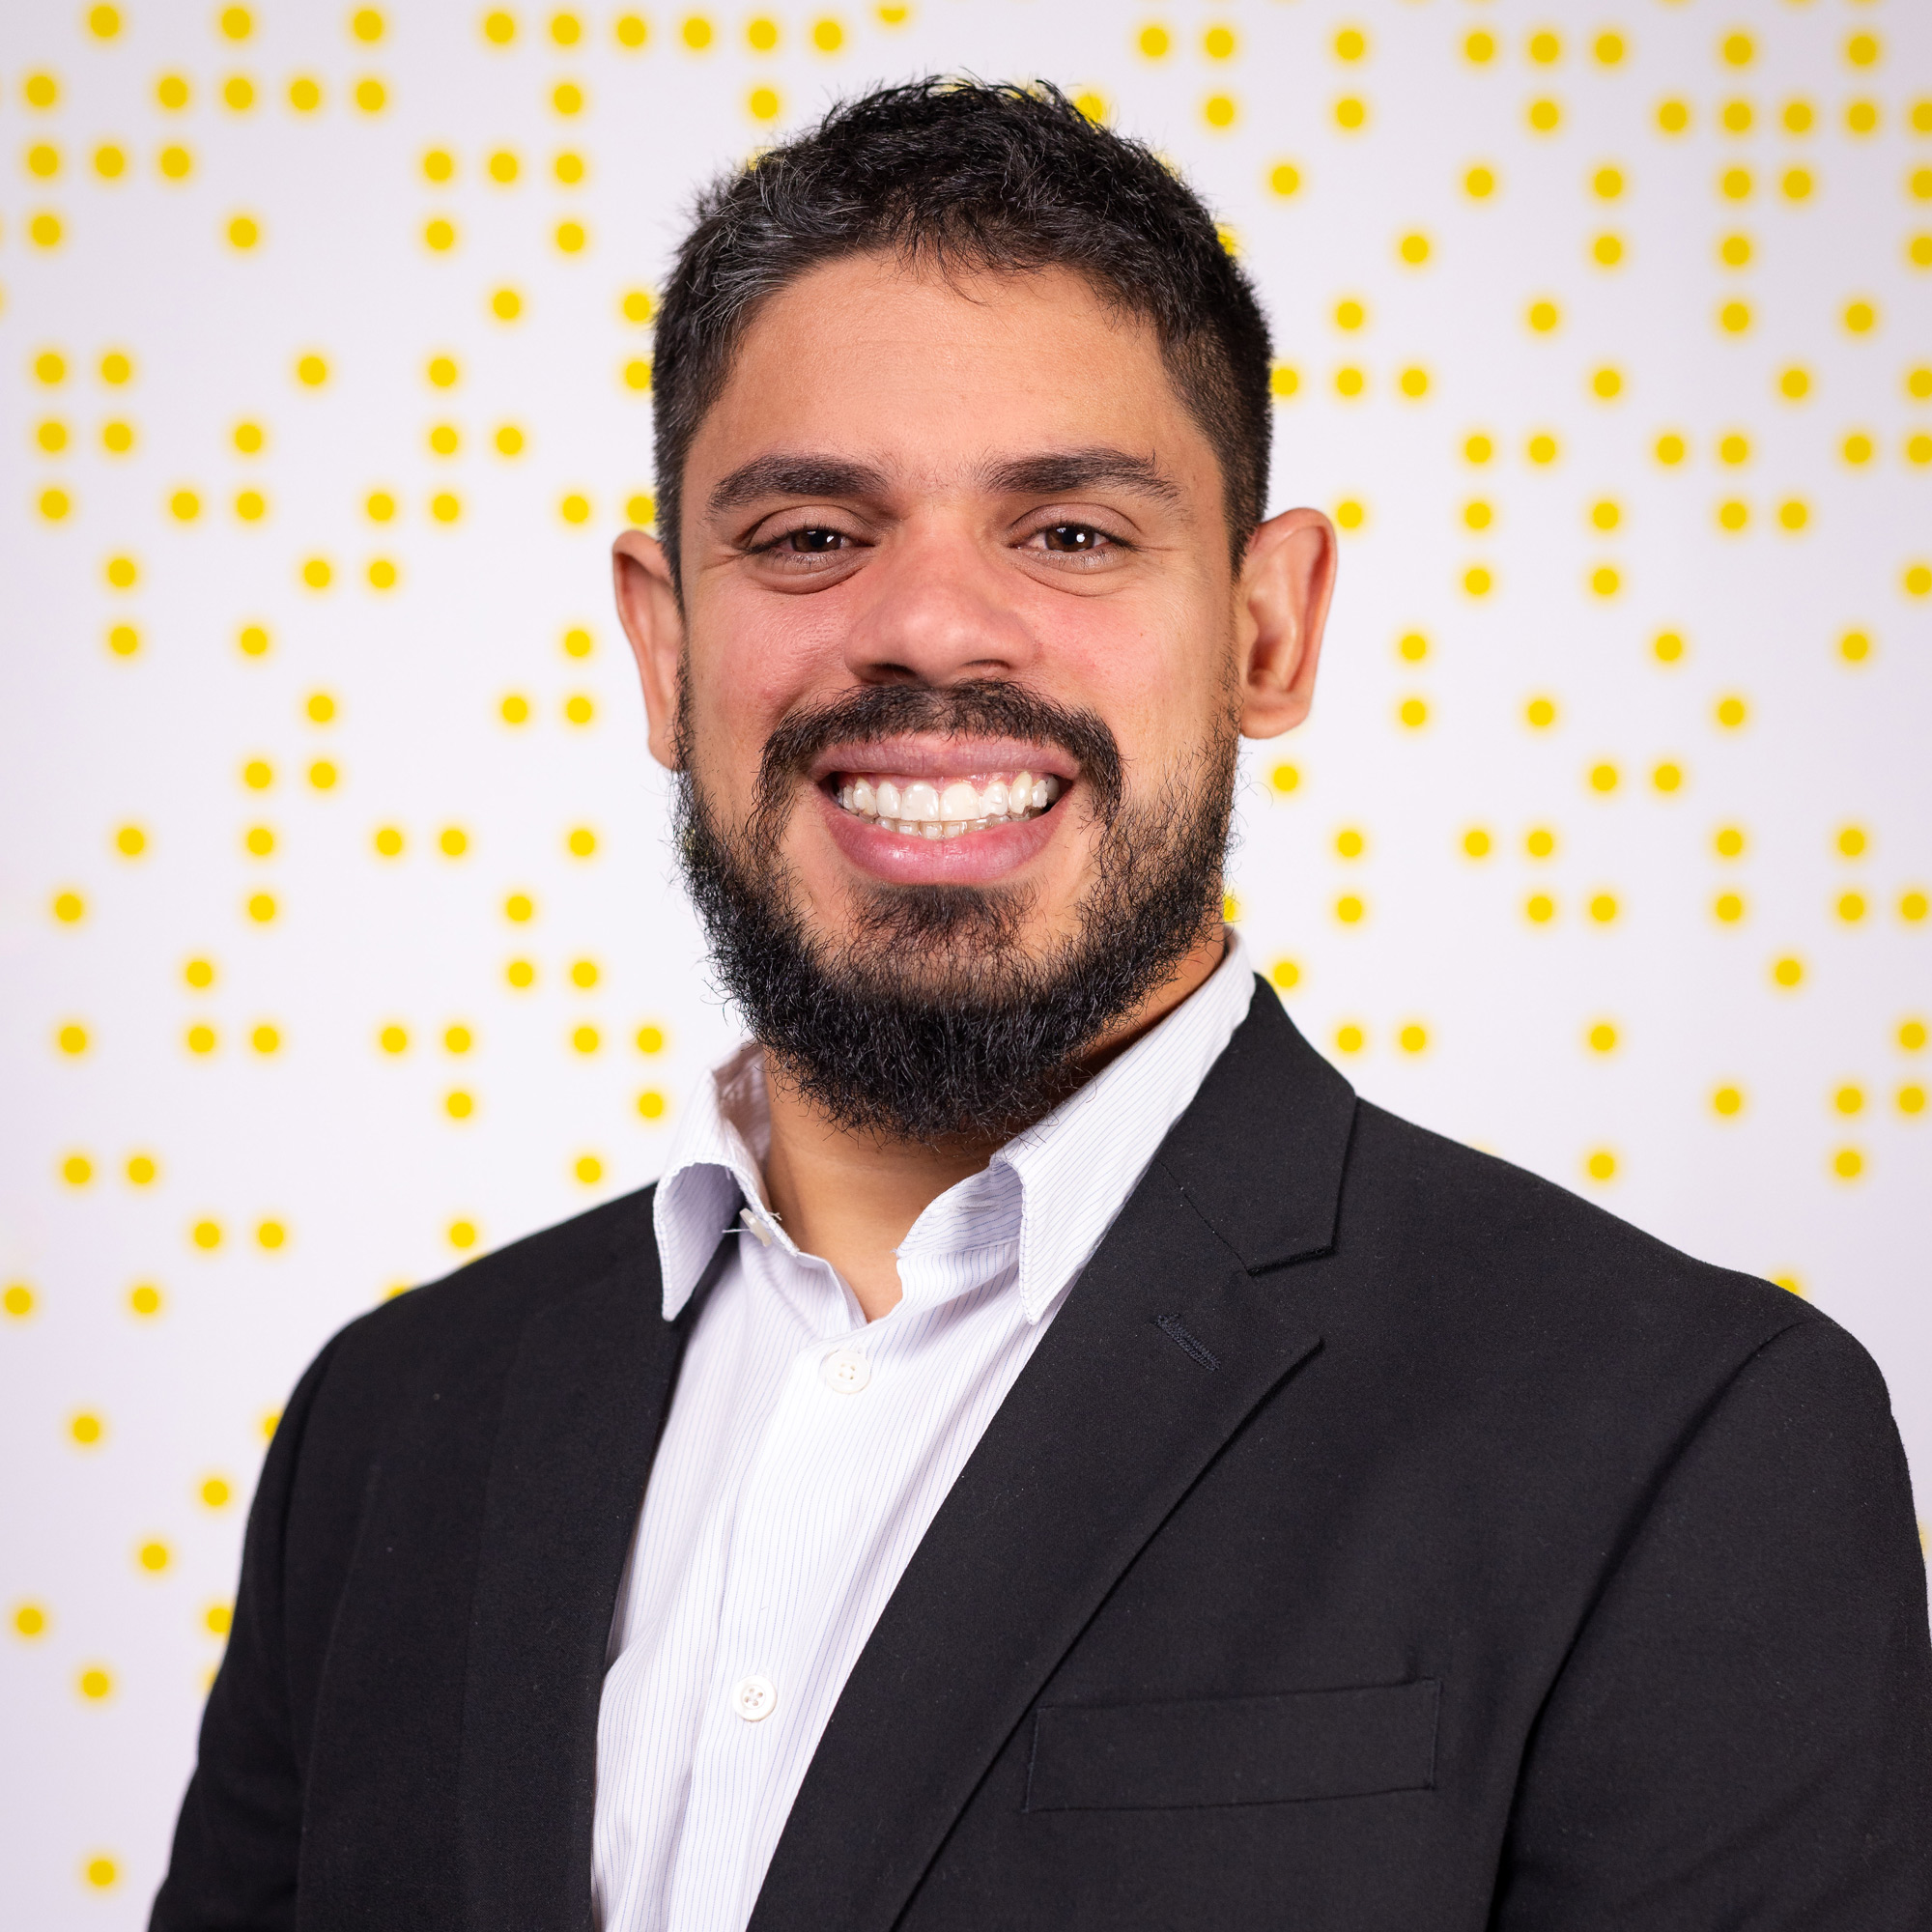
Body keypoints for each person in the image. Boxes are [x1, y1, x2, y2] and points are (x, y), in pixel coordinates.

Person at [153, 80, 1930, 1932]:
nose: (931, 626)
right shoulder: (391, 1428)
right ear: (666, 646)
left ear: (1269, 630)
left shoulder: (1683, 1438)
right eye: (811, 536)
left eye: (1071, 533)